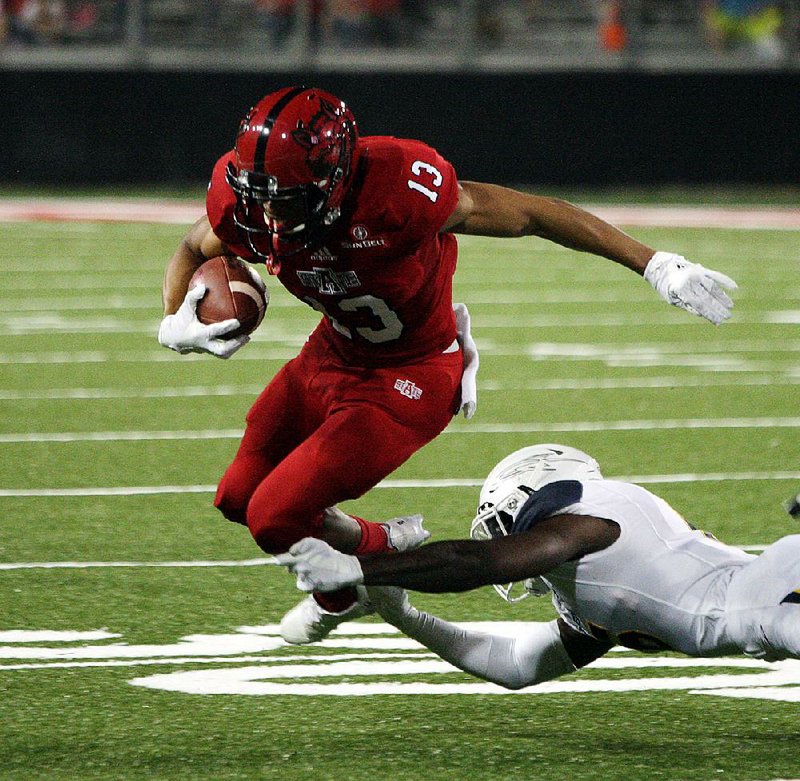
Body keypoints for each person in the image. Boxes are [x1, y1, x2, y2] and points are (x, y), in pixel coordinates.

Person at [156, 86, 737, 646]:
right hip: (330, 353)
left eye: (283, 196)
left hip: (408, 379)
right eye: (258, 194)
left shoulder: (398, 190)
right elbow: (192, 247)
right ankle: (380, 541)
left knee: (272, 517)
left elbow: (533, 214)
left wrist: (655, 263)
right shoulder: (251, 205)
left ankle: (345, 593)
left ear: (333, 178)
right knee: (236, 498)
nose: (267, 214)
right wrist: (175, 320)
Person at [274, 443, 800, 686]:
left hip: (774, 597)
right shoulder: (592, 588)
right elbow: (517, 665)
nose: (507, 535)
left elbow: (480, 562)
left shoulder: (588, 520)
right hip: (769, 599)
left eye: (505, 520)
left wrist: (365, 571)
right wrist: (407, 618)